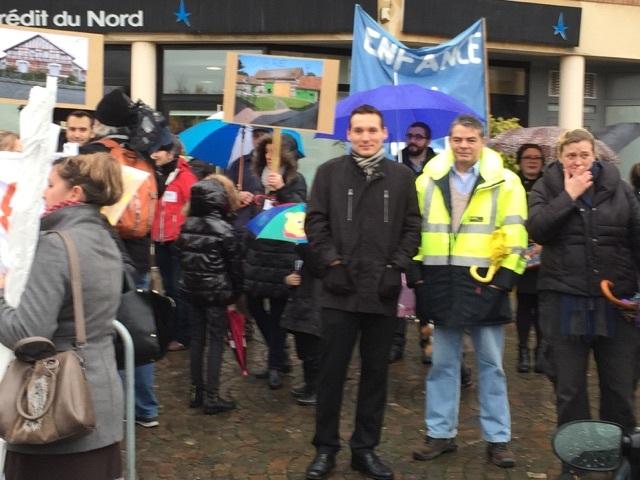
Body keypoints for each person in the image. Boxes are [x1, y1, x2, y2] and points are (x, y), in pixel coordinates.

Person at [304, 104, 421, 480]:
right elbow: (315, 223)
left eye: (372, 130)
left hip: (381, 292)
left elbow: (412, 226)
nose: (366, 137)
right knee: (331, 374)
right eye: (358, 131)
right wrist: (331, 264)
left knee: (375, 375)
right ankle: (325, 448)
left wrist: (396, 266)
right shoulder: (328, 174)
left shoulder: (401, 177)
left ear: (385, 133)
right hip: (339, 290)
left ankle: (364, 449)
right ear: (348, 135)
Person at [411, 115, 527, 469]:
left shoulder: (507, 183)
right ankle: (440, 434)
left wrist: (504, 281)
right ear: (450, 141)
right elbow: (415, 232)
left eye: (471, 139)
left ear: (483, 141)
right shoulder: (426, 180)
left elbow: (517, 237)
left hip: (486, 284)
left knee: (492, 366)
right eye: (458, 139)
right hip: (442, 283)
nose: (464, 145)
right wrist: (417, 277)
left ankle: (498, 439)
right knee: (443, 366)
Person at [0, 153, 124, 480]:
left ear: (75, 194)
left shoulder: (54, 244)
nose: (44, 191)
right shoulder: (105, 237)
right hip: (101, 402)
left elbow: (26, 334)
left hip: (57, 411)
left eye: (51, 184)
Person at [526, 129, 640, 478]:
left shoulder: (620, 189)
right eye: (571, 155)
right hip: (565, 302)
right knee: (570, 390)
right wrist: (569, 196)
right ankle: (577, 463)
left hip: (615, 303)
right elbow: (537, 229)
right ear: (560, 157)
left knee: (619, 389)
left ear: (595, 156)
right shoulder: (546, 188)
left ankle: (622, 462)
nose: (578, 161)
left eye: (584, 155)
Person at [83, 88, 161, 428]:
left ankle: (111, 411)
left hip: (101, 257)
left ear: (101, 121)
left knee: (103, 337)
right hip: (138, 259)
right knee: (140, 333)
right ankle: (145, 409)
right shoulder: (142, 156)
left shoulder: (92, 154)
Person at [243, 133, 307, 389]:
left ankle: (274, 365)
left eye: (274, 152)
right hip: (258, 256)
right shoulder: (258, 180)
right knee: (255, 306)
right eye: (266, 152)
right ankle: (279, 355)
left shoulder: (296, 180)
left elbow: (301, 211)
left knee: (279, 312)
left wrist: (282, 189)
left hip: (282, 256)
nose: (269, 156)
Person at [177, 174, 243, 414]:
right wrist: (234, 295)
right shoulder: (225, 229)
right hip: (216, 293)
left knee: (197, 340)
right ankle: (212, 396)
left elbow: (181, 257)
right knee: (216, 341)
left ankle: (196, 391)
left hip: (192, 290)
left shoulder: (186, 225)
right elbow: (235, 266)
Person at [389, 121, 436, 364]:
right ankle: (396, 343)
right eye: (409, 135)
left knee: (426, 300)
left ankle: (427, 343)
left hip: (428, 239)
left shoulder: (437, 165)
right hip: (402, 236)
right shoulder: (396, 163)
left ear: (427, 140)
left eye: (418, 136)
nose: (413, 140)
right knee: (400, 296)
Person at [150, 134, 197, 352]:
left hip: (177, 242)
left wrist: (183, 233)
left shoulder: (186, 177)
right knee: (168, 289)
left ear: (170, 153)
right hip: (160, 241)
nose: (154, 154)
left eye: (158, 150)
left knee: (178, 290)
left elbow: (194, 209)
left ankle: (184, 335)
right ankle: (172, 331)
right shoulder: (156, 174)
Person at [280, 244, 324, 406]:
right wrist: (288, 279)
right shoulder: (300, 248)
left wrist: (303, 248)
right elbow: (295, 269)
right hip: (301, 304)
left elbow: (318, 267)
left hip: (314, 305)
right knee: (304, 350)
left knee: (314, 351)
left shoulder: (317, 247)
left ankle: (317, 389)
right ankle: (309, 384)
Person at [515, 144, 544, 373]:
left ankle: (541, 351)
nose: (532, 161)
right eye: (527, 157)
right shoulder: (513, 184)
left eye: (537, 158)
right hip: (520, 253)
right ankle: (523, 350)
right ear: (520, 161)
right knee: (524, 304)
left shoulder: (549, 184)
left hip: (545, 253)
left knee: (542, 305)